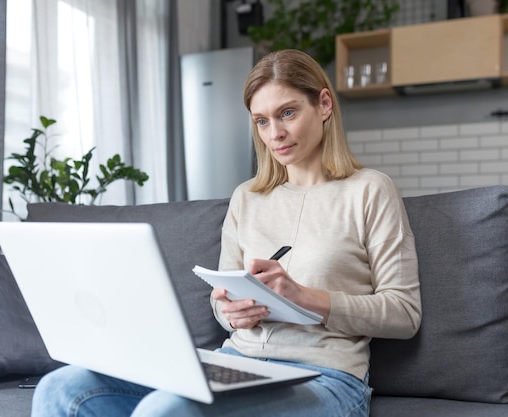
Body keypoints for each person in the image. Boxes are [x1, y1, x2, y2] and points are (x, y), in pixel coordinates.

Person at [32, 49, 422, 417]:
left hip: (327, 378)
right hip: (239, 363)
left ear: (323, 104)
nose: (275, 134)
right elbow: (222, 303)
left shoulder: (370, 189)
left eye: (287, 113)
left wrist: (308, 298)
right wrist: (232, 312)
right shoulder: (247, 198)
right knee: (61, 388)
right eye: (262, 121)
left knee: (165, 411)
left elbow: (404, 314)